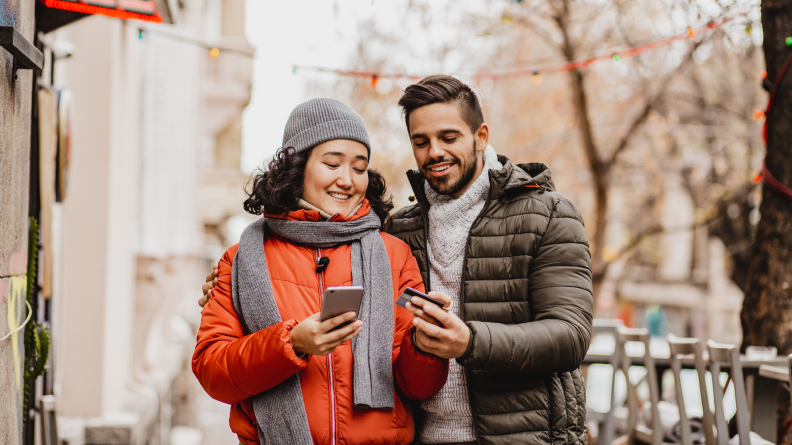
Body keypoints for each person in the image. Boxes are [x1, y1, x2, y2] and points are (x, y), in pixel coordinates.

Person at [201, 76, 593, 445]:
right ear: (296, 166)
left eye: (449, 136)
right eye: (421, 141)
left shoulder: (544, 215)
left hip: (522, 435)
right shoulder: (401, 229)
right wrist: (268, 318)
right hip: (428, 435)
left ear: (481, 136)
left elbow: (571, 336)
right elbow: (214, 366)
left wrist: (463, 342)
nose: (435, 151)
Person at [192, 98, 449, 445]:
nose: (347, 180)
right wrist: (291, 343)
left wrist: (425, 346)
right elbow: (213, 372)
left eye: (359, 168)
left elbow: (416, 387)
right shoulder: (241, 260)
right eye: (332, 163)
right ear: (297, 168)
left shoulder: (393, 255)